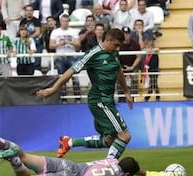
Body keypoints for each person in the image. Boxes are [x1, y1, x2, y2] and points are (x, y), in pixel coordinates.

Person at [36, 28, 134, 160]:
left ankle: (70, 142)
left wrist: (126, 91)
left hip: (108, 100)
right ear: (108, 40)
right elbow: (71, 71)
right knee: (125, 136)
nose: (117, 48)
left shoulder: (113, 53)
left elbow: (118, 70)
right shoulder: (93, 54)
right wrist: (54, 88)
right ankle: (110, 167)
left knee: (110, 140)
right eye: (116, 45)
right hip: (100, 101)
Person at [0, 133, 176, 176]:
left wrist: (148, 171)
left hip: (69, 165)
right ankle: (14, 160)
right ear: (127, 174)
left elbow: (130, 165)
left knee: (26, 156)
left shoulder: (110, 159)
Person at [49, 14, 81, 103]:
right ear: (60, 22)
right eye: (63, 21)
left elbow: (78, 45)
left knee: (75, 77)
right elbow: (51, 46)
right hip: (60, 56)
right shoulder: (55, 32)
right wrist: (60, 44)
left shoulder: (74, 31)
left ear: (69, 22)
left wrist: (71, 43)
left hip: (72, 56)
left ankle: (77, 98)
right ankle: (63, 98)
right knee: (62, 78)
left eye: (66, 21)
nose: (65, 23)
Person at [118, 26, 141, 103]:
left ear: (130, 34)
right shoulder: (117, 44)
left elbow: (138, 57)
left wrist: (132, 67)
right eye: (124, 34)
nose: (125, 35)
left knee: (134, 78)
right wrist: (120, 68)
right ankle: (120, 100)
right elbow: (114, 57)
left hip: (132, 67)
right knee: (118, 79)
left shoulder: (135, 44)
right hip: (120, 68)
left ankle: (133, 99)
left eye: (127, 34)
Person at [19, 5, 42, 72]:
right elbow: (20, 31)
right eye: (27, 10)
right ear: (25, 12)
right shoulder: (22, 21)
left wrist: (28, 38)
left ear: (33, 12)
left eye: (30, 10)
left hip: (36, 43)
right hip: (26, 44)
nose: (29, 12)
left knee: (37, 62)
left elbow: (37, 32)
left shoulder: (36, 21)